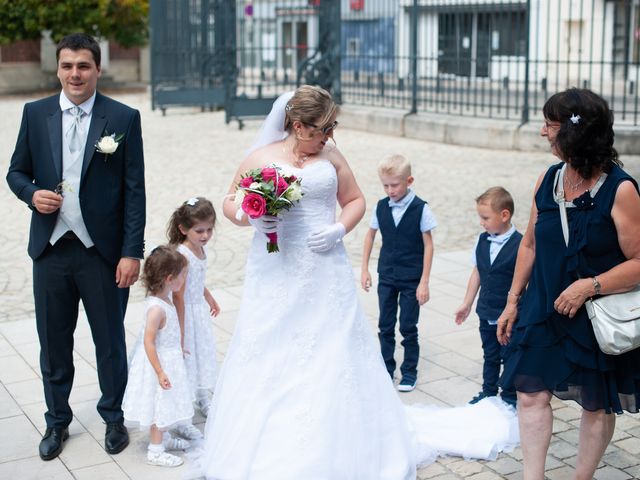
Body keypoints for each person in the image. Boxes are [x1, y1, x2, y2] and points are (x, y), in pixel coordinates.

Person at [195, 85, 519, 479]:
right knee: (271, 347)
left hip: (324, 269)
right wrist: (248, 216)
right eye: (321, 130)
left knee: (331, 350)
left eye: (332, 129)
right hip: (275, 270)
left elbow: (356, 200)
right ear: (298, 126)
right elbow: (231, 200)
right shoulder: (261, 157)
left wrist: (338, 229)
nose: (329, 138)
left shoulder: (330, 155)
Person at [6, 33, 145, 460]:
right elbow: (15, 172)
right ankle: (56, 422)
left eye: (83, 66)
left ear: (97, 69)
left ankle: (113, 416)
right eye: (67, 66)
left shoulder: (122, 118)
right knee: (53, 343)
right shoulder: (35, 113)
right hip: (50, 251)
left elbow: (134, 190)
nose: (75, 74)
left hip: (101, 253)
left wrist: (131, 252)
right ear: (58, 69)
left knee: (109, 342)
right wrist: (31, 194)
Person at [496, 88, 640, 479]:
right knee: (529, 393)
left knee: (596, 403)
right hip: (544, 305)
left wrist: (587, 286)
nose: (543, 132)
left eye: (550, 125)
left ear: (577, 133)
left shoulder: (621, 189)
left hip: (593, 311)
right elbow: (528, 243)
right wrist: (512, 302)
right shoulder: (548, 179)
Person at [360, 154, 436, 392]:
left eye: (395, 185)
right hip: (387, 276)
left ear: (409, 180)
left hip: (412, 278)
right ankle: (386, 368)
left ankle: (409, 372)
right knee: (385, 325)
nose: (390, 190)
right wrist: (364, 269)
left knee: (407, 326)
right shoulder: (381, 206)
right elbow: (370, 235)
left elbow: (429, 245)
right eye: (385, 185)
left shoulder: (420, 208)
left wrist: (424, 281)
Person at [122, 246, 194, 467]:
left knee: (167, 402)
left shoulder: (166, 299)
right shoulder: (156, 309)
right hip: (159, 365)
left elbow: (166, 336)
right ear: (169, 278)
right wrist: (160, 371)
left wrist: (177, 349)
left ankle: (164, 435)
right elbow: (149, 342)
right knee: (159, 405)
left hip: (169, 359)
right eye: (183, 276)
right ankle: (155, 450)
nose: (185, 280)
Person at [454, 187, 520, 407]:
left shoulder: (521, 244)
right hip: (486, 310)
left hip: (509, 315)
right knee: (490, 354)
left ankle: (510, 395)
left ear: (504, 215)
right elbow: (477, 273)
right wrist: (467, 303)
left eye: (485, 218)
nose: (481, 223)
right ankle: (489, 390)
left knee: (509, 356)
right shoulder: (482, 240)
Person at [168, 197, 220, 424]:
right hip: (185, 312)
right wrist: (180, 326)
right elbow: (179, 293)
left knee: (200, 354)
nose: (205, 235)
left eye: (209, 230)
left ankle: (201, 395)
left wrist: (208, 297)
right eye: (199, 231)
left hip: (197, 310)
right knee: (187, 356)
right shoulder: (182, 253)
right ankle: (184, 405)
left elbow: (197, 279)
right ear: (183, 229)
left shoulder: (199, 250)